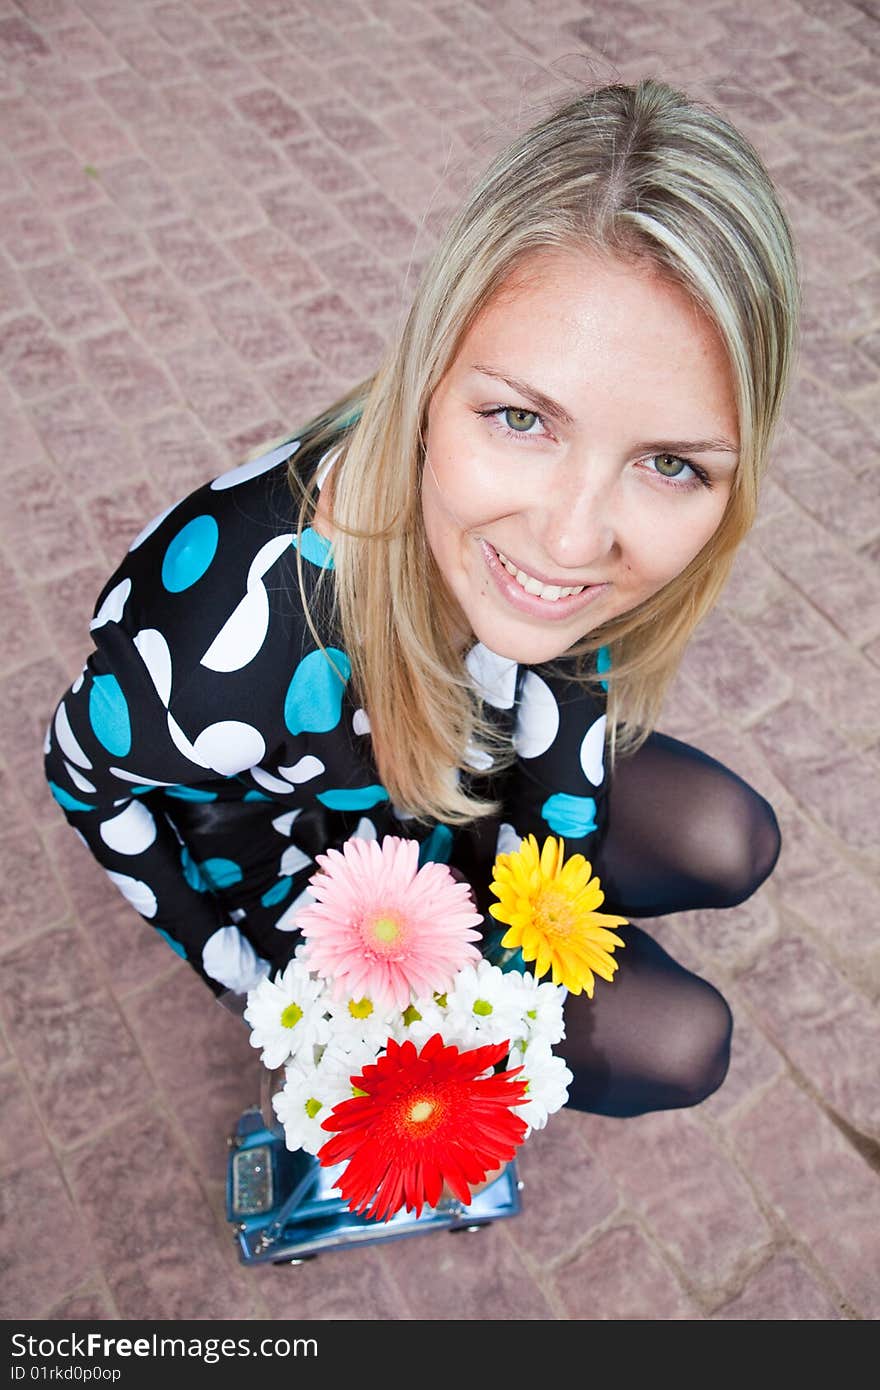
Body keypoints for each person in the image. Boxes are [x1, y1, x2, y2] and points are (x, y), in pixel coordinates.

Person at [43, 78, 799, 1120]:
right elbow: (84, 776)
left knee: (729, 838)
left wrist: (532, 934)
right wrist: (251, 982)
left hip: (468, 773)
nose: (575, 538)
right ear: (431, 373)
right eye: (523, 419)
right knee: (679, 1044)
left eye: (670, 463)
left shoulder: (549, 550)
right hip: (314, 866)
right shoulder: (227, 636)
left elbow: (568, 683)